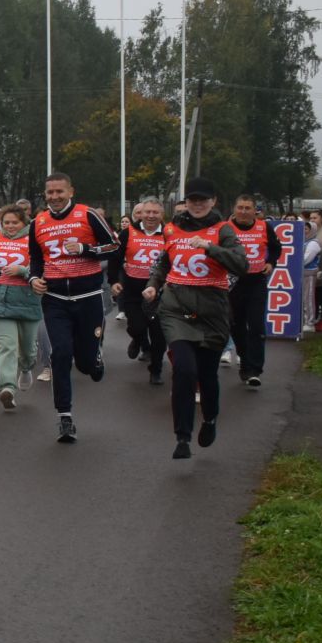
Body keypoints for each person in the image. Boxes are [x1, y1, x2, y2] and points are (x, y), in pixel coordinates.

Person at [144, 177, 246, 458]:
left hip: (213, 311)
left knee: (206, 374)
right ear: (186, 202)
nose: (197, 204)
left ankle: (210, 418)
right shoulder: (171, 228)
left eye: (203, 199)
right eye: (192, 200)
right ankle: (182, 437)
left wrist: (209, 247)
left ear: (213, 201)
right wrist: (154, 283)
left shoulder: (223, 230)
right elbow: (164, 261)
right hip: (176, 307)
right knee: (184, 370)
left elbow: (241, 264)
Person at [27, 171, 120, 445]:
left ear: (71, 192)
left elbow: (114, 246)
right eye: (50, 193)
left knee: (86, 363)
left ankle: (95, 358)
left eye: (60, 192)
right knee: (61, 354)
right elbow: (35, 258)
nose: (54, 197)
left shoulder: (87, 214)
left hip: (88, 295)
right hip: (55, 299)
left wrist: (85, 248)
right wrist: (34, 279)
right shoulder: (38, 222)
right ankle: (65, 417)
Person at [0, 203, 40, 411]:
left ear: (23, 222)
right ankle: (7, 387)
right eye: (6, 222)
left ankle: (26, 368)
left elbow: (42, 266)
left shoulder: (34, 240)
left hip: (27, 300)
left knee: (27, 349)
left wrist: (23, 271)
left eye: (14, 222)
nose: (10, 226)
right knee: (6, 346)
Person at [225, 194, 284, 388]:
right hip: (233, 282)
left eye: (247, 208)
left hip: (256, 280)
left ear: (254, 210)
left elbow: (276, 248)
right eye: (240, 207)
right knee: (236, 325)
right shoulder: (225, 228)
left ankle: (255, 369)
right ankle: (244, 360)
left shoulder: (264, 227)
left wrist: (270, 262)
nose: (243, 211)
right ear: (234, 209)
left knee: (257, 325)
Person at [115, 198, 168, 386]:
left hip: (160, 293)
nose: (151, 216)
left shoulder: (169, 234)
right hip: (132, 290)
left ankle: (156, 370)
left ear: (162, 215)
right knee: (136, 326)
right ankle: (138, 340)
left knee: (159, 335)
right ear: (140, 214)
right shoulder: (127, 233)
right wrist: (113, 281)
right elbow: (116, 257)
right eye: (147, 212)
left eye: (155, 212)